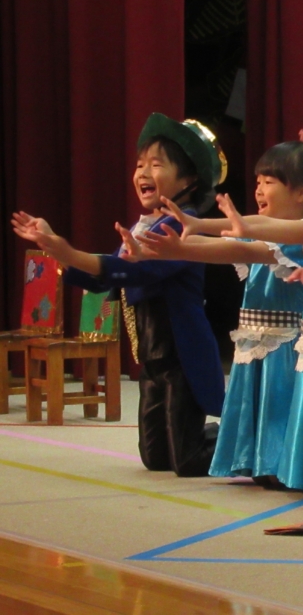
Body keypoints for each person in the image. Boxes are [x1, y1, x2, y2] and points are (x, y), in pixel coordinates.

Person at [13, 114, 228, 476]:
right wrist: (56, 250)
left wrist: (67, 251)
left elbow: (133, 270)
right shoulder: (144, 226)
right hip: (151, 359)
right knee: (155, 458)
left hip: (182, 359)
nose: (143, 172)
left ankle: (240, 438)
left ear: (189, 179)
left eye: (156, 164)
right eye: (140, 164)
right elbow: (104, 280)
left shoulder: (182, 227)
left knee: (188, 461)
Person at [122, 141, 303, 484]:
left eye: (269, 182)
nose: (259, 190)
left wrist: (181, 246)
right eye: (257, 182)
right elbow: (225, 241)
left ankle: (283, 462)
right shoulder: (255, 231)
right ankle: (254, 455)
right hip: (255, 346)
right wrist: (177, 244)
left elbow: (239, 247)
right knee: (253, 414)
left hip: (285, 350)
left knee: (278, 414)